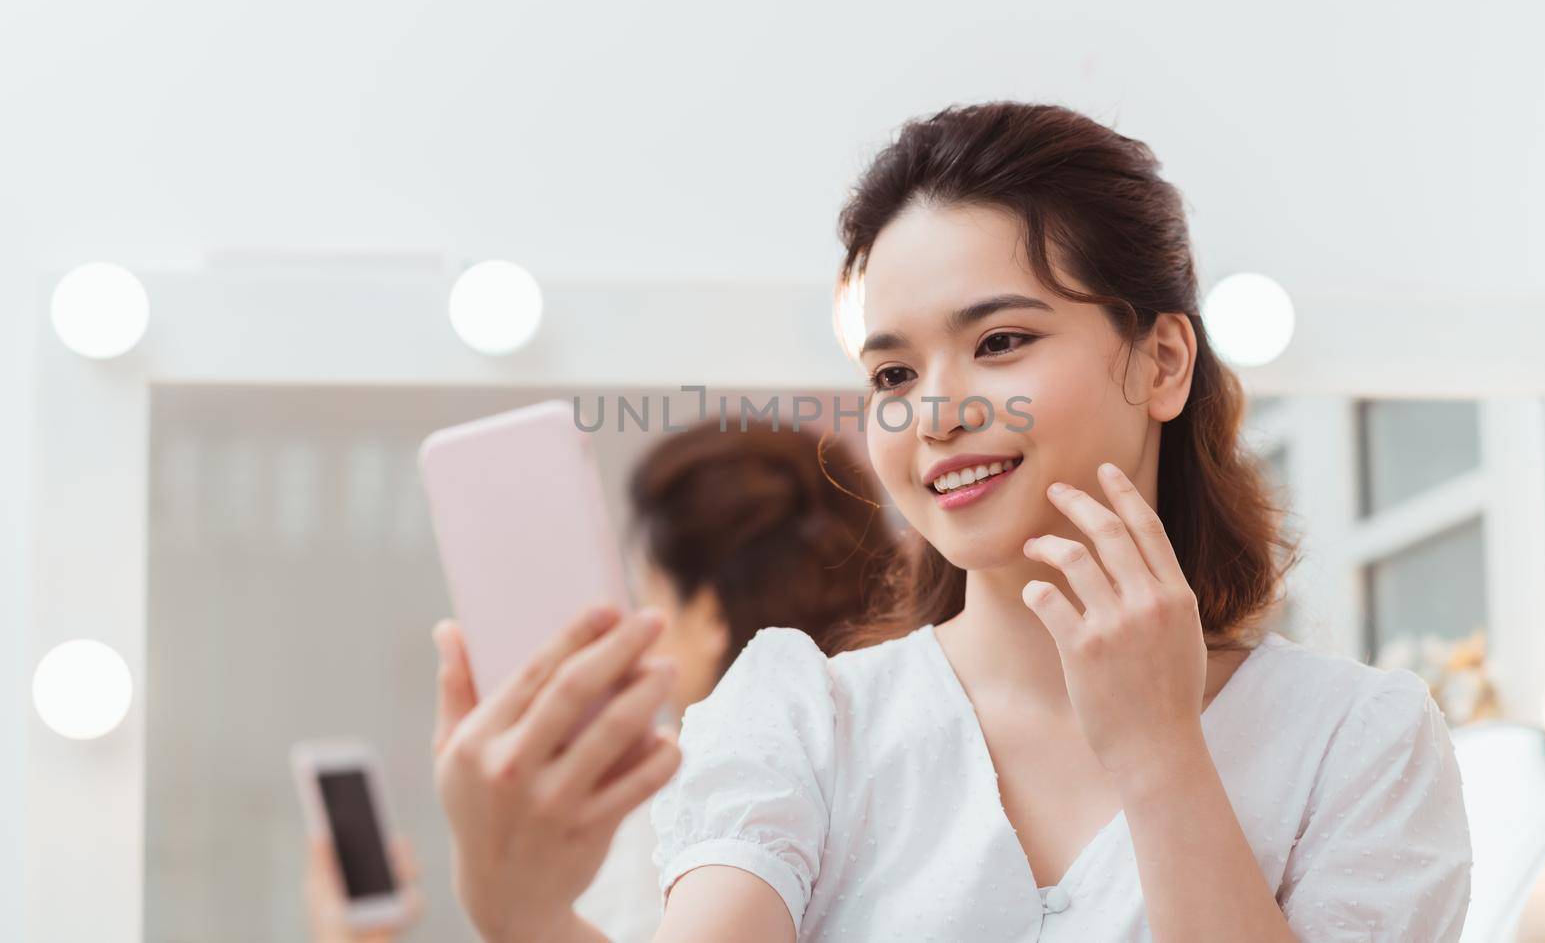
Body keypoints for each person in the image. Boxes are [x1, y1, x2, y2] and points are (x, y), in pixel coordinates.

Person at [430, 101, 1475, 942]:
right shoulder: (803, 717)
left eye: (1001, 340)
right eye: (891, 370)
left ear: (1160, 360)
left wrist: (1159, 753)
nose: (935, 409)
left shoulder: (1359, 739)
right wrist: (523, 913)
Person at [432, 420, 892, 943]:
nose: (640, 632)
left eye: (648, 597)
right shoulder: (899, 750)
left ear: (709, 616)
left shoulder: (682, 806)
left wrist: (518, 912)